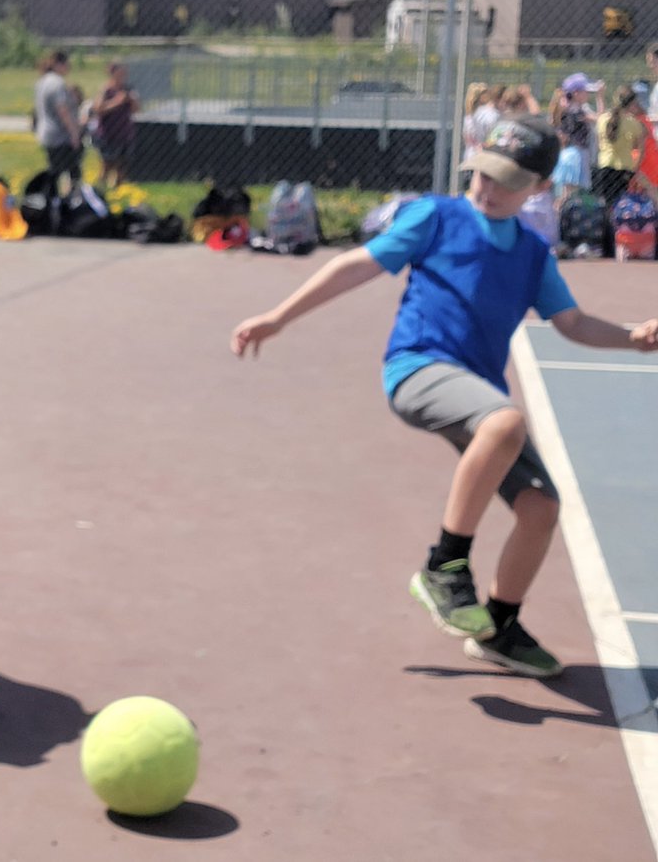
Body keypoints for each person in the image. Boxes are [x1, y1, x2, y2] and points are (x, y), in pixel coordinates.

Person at [230, 115, 658, 679]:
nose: (488, 186)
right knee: (504, 423)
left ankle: (499, 626)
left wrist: (632, 340)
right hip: (417, 368)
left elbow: (572, 323)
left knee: (539, 508)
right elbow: (356, 265)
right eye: (483, 171)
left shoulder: (532, 253)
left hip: (475, 394)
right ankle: (444, 567)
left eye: (507, 179)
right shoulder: (437, 215)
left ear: (539, 188)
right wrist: (278, 318)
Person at [33, 51, 83, 193]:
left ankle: (53, 196)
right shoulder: (57, 83)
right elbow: (62, 110)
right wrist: (74, 133)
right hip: (60, 135)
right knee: (73, 171)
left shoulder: (42, 81)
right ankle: (70, 198)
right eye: (67, 64)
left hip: (46, 132)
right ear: (59, 65)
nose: (68, 68)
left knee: (55, 169)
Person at [593, 85, 646, 210]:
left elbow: (599, 144)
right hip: (624, 169)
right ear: (632, 103)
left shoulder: (603, 119)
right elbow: (641, 150)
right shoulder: (634, 124)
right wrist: (634, 168)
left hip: (604, 166)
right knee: (620, 205)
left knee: (603, 205)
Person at [548, 72, 603, 188]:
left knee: (568, 193)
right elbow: (601, 119)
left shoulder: (571, 108)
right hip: (575, 155)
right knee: (569, 193)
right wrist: (600, 97)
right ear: (576, 93)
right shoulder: (575, 111)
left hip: (572, 154)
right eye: (585, 92)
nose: (588, 94)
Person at [91, 61, 141, 189]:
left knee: (122, 166)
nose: (123, 75)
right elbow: (98, 109)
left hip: (125, 133)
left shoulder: (128, 89)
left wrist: (131, 100)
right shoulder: (106, 90)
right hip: (108, 134)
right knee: (107, 165)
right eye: (120, 72)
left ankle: (118, 191)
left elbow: (136, 109)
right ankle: (100, 190)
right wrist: (117, 102)